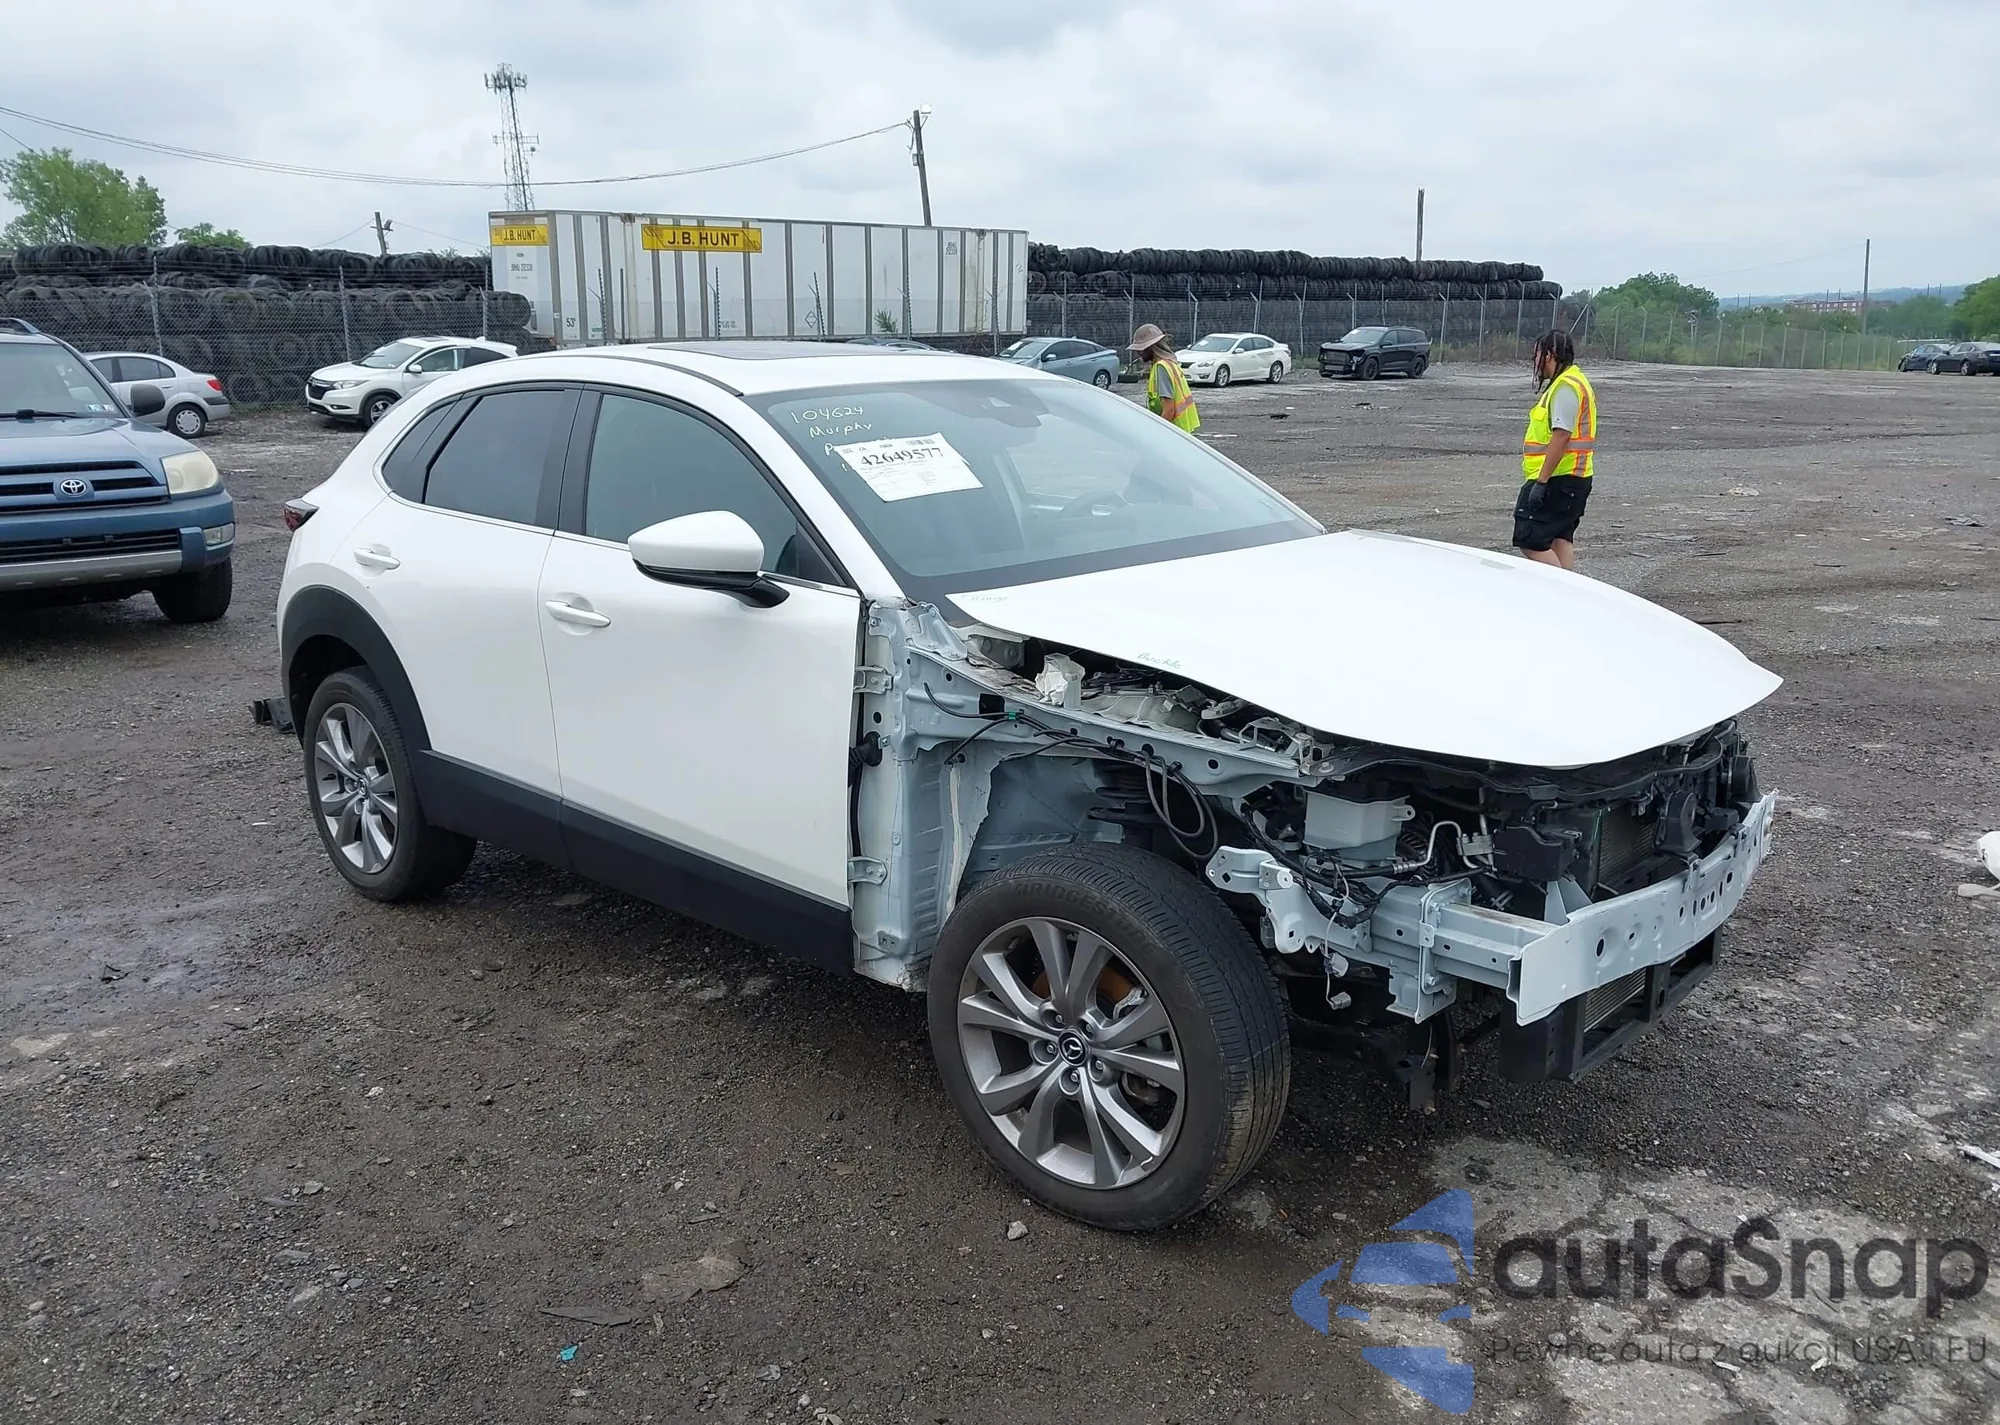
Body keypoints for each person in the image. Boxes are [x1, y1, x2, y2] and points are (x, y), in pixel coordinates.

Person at [1514, 330, 1597, 570]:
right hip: (1574, 478)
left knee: (1530, 539)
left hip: (1558, 478)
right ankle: (1568, 589)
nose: (1534, 361)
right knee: (1561, 539)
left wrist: (1541, 482)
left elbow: (1561, 436)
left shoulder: (1565, 387)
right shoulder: (1574, 380)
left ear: (1549, 355)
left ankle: (1557, 586)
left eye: (1537, 355)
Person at [1128, 324, 1200, 433]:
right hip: (1181, 431)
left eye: (1141, 349)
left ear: (1151, 347)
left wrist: (1157, 434)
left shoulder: (1161, 367)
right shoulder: (1170, 363)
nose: (1138, 353)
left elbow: (1169, 410)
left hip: (1173, 432)